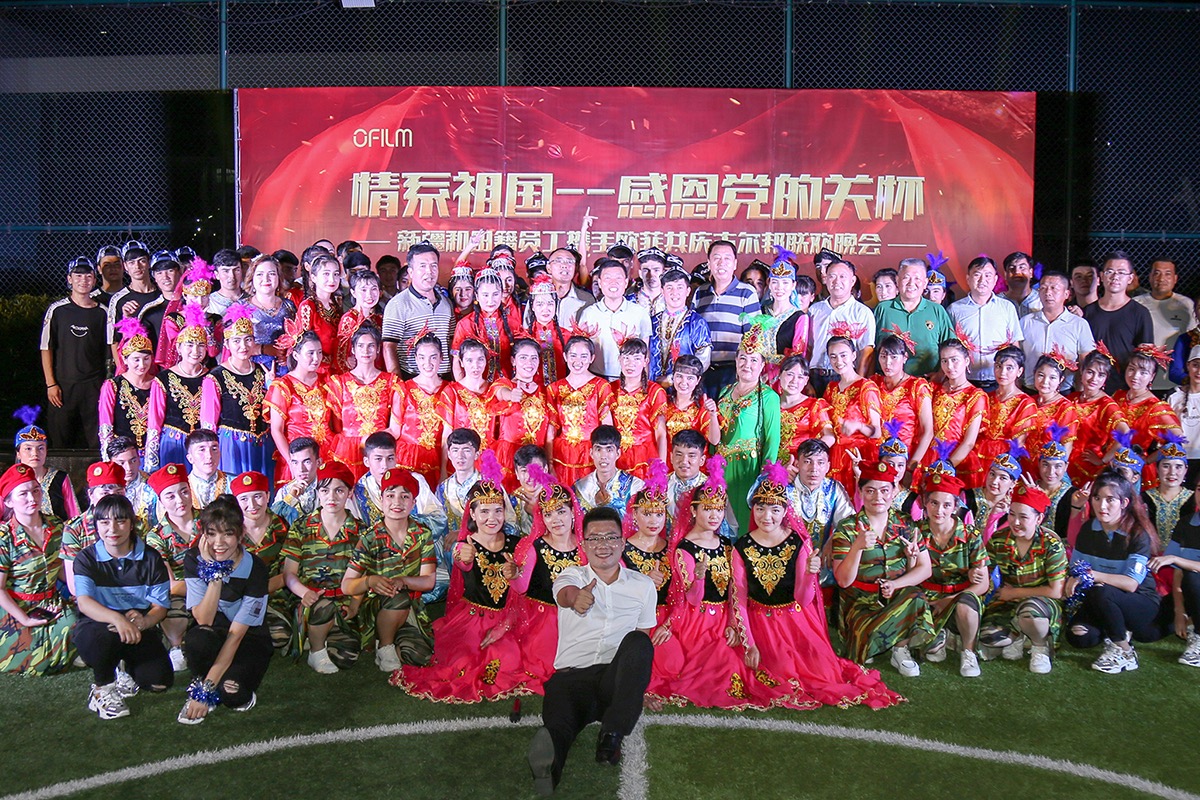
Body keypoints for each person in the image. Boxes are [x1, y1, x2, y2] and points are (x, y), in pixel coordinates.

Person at [727, 462, 902, 707]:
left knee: (820, 673)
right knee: (766, 673)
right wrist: (750, 644)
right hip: (759, 624)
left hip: (795, 622)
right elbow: (738, 595)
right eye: (760, 508)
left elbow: (803, 599)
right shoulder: (741, 546)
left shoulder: (798, 543)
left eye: (775, 509)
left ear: (785, 511)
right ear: (752, 509)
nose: (767, 516)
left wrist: (810, 574)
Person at [525, 504, 656, 793]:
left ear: (623, 541)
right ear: (583, 545)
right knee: (559, 728)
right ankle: (548, 770)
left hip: (613, 680)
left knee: (639, 642)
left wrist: (634, 687)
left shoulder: (643, 585)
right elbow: (565, 594)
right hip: (571, 679)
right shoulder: (571, 576)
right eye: (595, 538)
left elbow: (641, 641)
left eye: (611, 537)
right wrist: (576, 599)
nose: (603, 545)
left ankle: (611, 735)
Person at [395, 463, 530, 702]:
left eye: (498, 510)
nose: (492, 518)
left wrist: (507, 620)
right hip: (472, 620)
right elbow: (462, 561)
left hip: (511, 618)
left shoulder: (517, 544)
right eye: (484, 511)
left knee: (507, 659)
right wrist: (462, 556)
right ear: (472, 514)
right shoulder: (464, 546)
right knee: (463, 663)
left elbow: (524, 590)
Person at [72, 493, 173, 720]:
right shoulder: (86, 558)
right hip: (99, 624)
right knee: (101, 639)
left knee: (158, 682)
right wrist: (117, 619)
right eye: (104, 522)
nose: (112, 528)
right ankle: (103, 689)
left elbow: (160, 607)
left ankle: (123, 666)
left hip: (137, 625)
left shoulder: (151, 558)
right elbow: (85, 602)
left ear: (131, 523)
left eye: (120, 520)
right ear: (96, 525)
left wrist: (145, 621)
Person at [832, 461, 935, 676]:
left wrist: (896, 583)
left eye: (885, 490)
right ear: (861, 492)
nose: (878, 497)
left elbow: (925, 569)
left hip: (896, 598)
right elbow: (842, 580)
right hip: (860, 603)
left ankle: (899, 648)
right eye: (870, 490)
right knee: (861, 640)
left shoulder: (906, 523)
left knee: (916, 597)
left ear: (894, 491)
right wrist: (857, 548)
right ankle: (876, 639)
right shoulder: (848, 527)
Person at [176, 496, 272, 724]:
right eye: (211, 534)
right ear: (203, 535)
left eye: (227, 533)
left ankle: (216, 681)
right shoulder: (194, 559)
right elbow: (204, 619)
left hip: (248, 639)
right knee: (197, 639)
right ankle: (207, 677)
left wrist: (205, 691)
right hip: (213, 634)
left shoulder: (256, 568)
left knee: (233, 696)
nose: (218, 543)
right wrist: (215, 574)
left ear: (240, 534)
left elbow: (236, 636)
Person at [1065, 469, 1161, 673]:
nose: (1102, 506)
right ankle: (1115, 629)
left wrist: (1092, 575)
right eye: (1097, 498)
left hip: (1139, 601)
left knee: (1102, 591)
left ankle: (1124, 650)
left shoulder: (1137, 534)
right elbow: (1077, 568)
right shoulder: (1088, 529)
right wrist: (1075, 579)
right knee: (1079, 636)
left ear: (1124, 503)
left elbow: (1131, 584)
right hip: (1100, 597)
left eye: (1110, 500)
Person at [340, 467, 435, 672]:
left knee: (421, 656)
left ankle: (393, 641)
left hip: (410, 608)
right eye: (390, 496)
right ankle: (384, 646)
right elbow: (347, 585)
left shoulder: (422, 534)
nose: (397, 502)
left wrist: (404, 581)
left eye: (404, 496)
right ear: (381, 500)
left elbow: (429, 581)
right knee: (397, 596)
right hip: (376, 607)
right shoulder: (370, 537)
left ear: (413, 503)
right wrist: (370, 581)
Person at [506, 464, 585, 693]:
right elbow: (521, 588)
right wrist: (514, 575)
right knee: (553, 664)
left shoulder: (585, 546)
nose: (556, 520)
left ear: (573, 512)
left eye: (561, 512)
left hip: (580, 617)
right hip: (544, 622)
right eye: (548, 514)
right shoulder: (533, 547)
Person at [281, 461, 363, 673]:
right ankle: (316, 650)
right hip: (309, 600)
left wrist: (354, 605)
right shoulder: (302, 526)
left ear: (350, 493)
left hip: (343, 602)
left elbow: (363, 575)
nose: (331, 497)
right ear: (318, 492)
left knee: (347, 656)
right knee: (323, 606)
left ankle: (321, 633)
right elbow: (289, 572)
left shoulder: (361, 531)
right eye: (325, 491)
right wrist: (304, 592)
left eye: (339, 491)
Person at [912, 473, 990, 677]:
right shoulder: (915, 533)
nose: (939, 511)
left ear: (956, 506)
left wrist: (949, 600)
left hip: (960, 598)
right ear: (925, 503)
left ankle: (968, 651)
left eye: (947, 505)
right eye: (934, 503)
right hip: (927, 599)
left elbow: (983, 585)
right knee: (932, 653)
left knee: (966, 604)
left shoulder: (971, 535)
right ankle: (943, 635)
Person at [0, 463, 75, 675]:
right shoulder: (4, 536)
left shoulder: (56, 526)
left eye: (35, 490)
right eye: (23, 494)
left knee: (80, 626)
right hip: (15, 607)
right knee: (38, 664)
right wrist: (24, 619)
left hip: (50, 602)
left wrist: (79, 593)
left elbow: (61, 569)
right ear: (8, 501)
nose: (32, 498)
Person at [716, 327, 782, 536]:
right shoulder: (725, 391)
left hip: (748, 469)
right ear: (736, 361)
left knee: (746, 525)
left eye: (754, 360)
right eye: (743, 358)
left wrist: (766, 476)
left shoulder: (769, 397)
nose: (747, 364)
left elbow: (772, 438)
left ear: (762, 365)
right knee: (721, 524)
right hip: (722, 468)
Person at [41, 256, 108, 450]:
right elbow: (46, 348)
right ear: (69, 279)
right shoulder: (57, 310)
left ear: (94, 279)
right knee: (60, 441)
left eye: (88, 276)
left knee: (97, 443)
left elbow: (109, 351)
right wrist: (51, 384)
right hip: (63, 387)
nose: (83, 280)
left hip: (93, 386)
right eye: (78, 275)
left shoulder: (103, 312)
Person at [201, 303, 272, 478]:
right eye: (236, 341)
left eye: (248, 339)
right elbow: (208, 423)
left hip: (263, 444)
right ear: (226, 343)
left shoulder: (263, 371)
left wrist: (271, 385)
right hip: (232, 448)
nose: (243, 346)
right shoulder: (215, 377)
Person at [326, 325, 400, 478]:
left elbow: (395, 427)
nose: (366, 351)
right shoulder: (339, 383)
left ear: (378, 349)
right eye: (360, 346)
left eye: (371, 346)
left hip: (379, 450)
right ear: (353, 349)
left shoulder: (391, 382)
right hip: (347, 451)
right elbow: (337, 427)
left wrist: (372, 440)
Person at [144, 303, 211, 472]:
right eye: (189, 344)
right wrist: (152, 459)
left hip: (203, 447)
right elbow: (154, 421)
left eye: (201, 345)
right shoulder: (163, 379)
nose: (195, 350)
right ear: (179, 348)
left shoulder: (212, 377)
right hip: (173, 444)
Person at [143, 464, 197, 671]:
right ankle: (176, 647)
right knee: (170, 606)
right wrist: (207, 588)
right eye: (170, 496)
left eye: (184, 491)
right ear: (161, 500)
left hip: (218, 585)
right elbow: (170, 584)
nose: (180, 500)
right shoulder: (156, 536)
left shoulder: (211, 521)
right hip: (183, 593)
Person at [264, 330, 336, 482]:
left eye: (319, 352)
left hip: (326, 453)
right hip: (298, 456)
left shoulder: (327, 381)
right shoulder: (284, 386)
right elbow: (276, 430)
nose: (316, 358)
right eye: (310, 353)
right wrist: (292, 463)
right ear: (296, 355)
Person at [692, 240, 760, 397]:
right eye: (716, 258)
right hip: (703, 372)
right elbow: (693, 332)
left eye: (727, 258)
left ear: (735, 264)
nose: (721, 263)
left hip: (732, 372)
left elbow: (753, 337)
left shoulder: (747, 293)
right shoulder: (700, 293)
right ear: (709, 263)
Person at [547, 337, 615, 487]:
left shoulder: (601, 386)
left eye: (584, 356)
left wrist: (607, 458)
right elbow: (551, 429)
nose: (578, 361)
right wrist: (549, 462)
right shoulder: (554, 388)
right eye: (573, 355)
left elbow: (607, 428)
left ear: (592, 358)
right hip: (562, 454)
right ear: (565, 356)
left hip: (591, 453)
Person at [1083, 252, 1154, 393]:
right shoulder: (1088, 312)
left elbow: (1146, 358)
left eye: (1121, 272)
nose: (1115, 277)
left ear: (1130, 278)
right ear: (1101, 276)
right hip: (1093, 387)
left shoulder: (1140, 313)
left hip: (1125, 389)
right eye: (1110, 271)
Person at [948, 256, 1023, 389]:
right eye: (977, 275)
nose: (982, 280)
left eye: (988, 275)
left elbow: (1014, 344)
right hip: (965, 382)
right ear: (968, 279)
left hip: (999, 381)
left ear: (995, 280)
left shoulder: (1007, 307)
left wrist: (1016, 380)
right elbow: (949, 347)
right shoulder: (955, 309)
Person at [873, 259, 955, 377]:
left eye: (917, 278)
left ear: (925, 283)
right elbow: (870, 348)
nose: (911, 283)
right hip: (889, 382)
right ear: (897, 280)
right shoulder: (883, 309)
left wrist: (940, 375)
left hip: (928, 382)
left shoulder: (937, 310)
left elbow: (952, 349)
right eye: (906, 278)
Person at [383, 241, 453, 379]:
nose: (429, 271)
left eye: (433, 266)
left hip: (444, 380)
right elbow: (388, 347)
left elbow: (451, 343)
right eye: (423, 266)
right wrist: (398, 384)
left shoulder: (446, 303)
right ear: (410, 272)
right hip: (412, 379)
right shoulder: (398, 304)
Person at [823, 331, 881, 494]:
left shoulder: (866, 387)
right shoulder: (831, 389)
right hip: (834, 455)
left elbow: (877, 432)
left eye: (843, 355)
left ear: (854, 356)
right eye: (833, 356)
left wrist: (858, 426)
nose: (838, 361)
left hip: (858, 457)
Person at [1020, 270, 1095, 393]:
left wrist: (1081, 393)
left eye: (1054, 288)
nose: (1048, 293)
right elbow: (1018, 358)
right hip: (1030, 391)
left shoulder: (1079, 324)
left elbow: (1085, 362)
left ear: (1066, 294)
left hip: (1064, 393)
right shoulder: (1025, 322)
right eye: (1043, 288)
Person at [492, 338, 553, 489]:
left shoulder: (546, 391)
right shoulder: (505, 384)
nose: (529, 363)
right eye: (523, 357)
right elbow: (500, 393)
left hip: (536, 459)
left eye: (534, 358)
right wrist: (510, 395)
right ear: (513, 360)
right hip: (509, 458)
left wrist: (549, 463)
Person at [393, 333, 452, 487]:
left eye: (433, 357)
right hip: (408, 458)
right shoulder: (403, 389)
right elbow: (394, 430)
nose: (428, 363)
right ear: (416, 359)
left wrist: (444, 469)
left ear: (441, 358)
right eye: (422, 357)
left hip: (439, 458)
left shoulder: (450, 389)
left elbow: (448, 434)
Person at [808, 259, 875, 394]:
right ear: (826, 279)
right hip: (815, 377)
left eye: (842, 276)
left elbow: (866, 351)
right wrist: (807, 381)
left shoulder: (862, 312)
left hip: (844, 377)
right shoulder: (814, 310)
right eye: (832, 276)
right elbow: (807, 347)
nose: (836, 281)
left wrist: (857, 382)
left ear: (853, 281)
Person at [578, 259, 652, 381]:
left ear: (626, 282)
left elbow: (645, 352)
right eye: (607, 278)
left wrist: (644, 384)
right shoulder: (589, 313)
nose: (613, 283)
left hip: (628, 379)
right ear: (600, 283)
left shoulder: (640, 313)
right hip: (595, 378)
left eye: (618, 278)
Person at [61, 461, 127, 595]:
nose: (112, 499)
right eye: (105, 493)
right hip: (90, 598)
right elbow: (75, 586)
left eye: (118, 492)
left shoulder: (136, 524)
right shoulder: (75, 529)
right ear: (91, 495)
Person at [1069, 345, 1131, 485]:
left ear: (1106, 379)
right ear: (1082, 370)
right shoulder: (1072, 398)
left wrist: (1103, 460)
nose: (1094, 379)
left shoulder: (1106, 404)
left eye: (1101, 375)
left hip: (1088, 468)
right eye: (1090, 372)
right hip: (1065, 464)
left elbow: (1126, 432)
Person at [875, 329, 934, 476]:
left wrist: (910, 468)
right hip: (876, 458)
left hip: (906, 458)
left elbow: (928, 432)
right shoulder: (873, 383)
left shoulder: (917, 387)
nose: (888, 362)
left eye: (894, 357)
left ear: (905, 357)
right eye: (883, 356)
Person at [1133, 258, 1196, 393]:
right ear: (1150, 277)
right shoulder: (1136, 304)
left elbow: (1193, 341)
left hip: (1177, 382)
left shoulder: (1186, 305)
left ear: (1175, 278)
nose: (1161, 278)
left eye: (1167, 274)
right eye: (1157, 273)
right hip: (1141, 382)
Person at [451, 268, 522, 383]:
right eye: (485, 295)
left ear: (501, 294)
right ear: (477, 296)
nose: (490, 300)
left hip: (506, 385)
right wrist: (463, 389)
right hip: (476, 386)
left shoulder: (513, 323)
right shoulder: (465, 324)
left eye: (495, 294)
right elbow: (457, 361)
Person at [610, 338, 667, 479]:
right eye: (626, 358)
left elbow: (660, 434)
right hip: (616, 456)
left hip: (645, 458)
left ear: (645, 361)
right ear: (619, 359)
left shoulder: (655, 391)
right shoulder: (610, 389)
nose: (631, 364)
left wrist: (661, 469)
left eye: (637, 358)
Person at [99, 319, 155, 462]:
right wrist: (108, 458)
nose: (142, 365)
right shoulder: (112, 385)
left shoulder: (157, 383)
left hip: (152, 453)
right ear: (124, 359)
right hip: (122, 456)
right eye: (136, 359)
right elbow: (106, 424)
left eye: (146, 359)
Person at [1021, 352, 1081, 476]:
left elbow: (1067, 444)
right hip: (1024, 464)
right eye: (1041, 375)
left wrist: (1056, 472)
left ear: (1061, 380)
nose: (1045, 382)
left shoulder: (1065, 408)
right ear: (1034, 374)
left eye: (1052, 377)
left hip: (1048, 469)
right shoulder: (1029, 401)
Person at [649, 266, 712, 384]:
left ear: (688, 291)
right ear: (662, 291)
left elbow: (703, 359)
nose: (675, 292)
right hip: (652, 387)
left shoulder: (696, 322)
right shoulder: (652, 321)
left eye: (679, 287)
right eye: (669, 287)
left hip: (683, 387)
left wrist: (672, 379)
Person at [12, 413, 79, 521]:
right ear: (18, 453)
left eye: (40, 448)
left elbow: (74, 516)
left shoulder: (60, 478)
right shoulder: (11, 481)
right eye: (28, 449)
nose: (35, 453)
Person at [106, 241, 161, 366]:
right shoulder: (119, 300)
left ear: (149, 263)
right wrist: (122, 370)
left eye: (142, 261)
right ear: (125, 266)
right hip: (136, 368)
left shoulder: (162, 294)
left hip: (162, 364)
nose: (137, 266)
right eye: (131, 262)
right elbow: (114, 341)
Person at [573, 426, 646, 517]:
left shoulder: (635, 487)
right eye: (598, 449)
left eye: (609, 450)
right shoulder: (580, 488)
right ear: (591, 453)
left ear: (618, 453)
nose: (603, 456)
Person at [776, 355, 834, 467]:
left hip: (801, 467)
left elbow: (829, 437)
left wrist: (808, 458)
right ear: (780, 375)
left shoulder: (815, 405)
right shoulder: (770, 404)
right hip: (772, 466)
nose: (794, 381)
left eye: (800, 377)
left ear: (806, 380)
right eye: (790, 374)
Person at [245, 254, 297, 378]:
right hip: (254, 371)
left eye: (272, 274)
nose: (266, 279)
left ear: (279, 277)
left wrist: (289, 354)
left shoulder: (289, 306)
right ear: (252, 278)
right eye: (260, 274)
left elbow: (297, 338)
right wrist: (263, 349)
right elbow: (234, 346)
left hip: (286, 372)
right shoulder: (241, 308)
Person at [661, 355, 720, 463]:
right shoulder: (663, 403)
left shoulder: (703, 406)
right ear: (673, 377)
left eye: (690, 378)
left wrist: (712, 415)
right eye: (679, 376)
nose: (683, 382)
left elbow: (714, 441)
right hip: (668, 464)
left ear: (698, 380)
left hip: (693, 466)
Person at [444, 338, 499, 454]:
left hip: (489, 457)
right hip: (461, 457)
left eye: (480, 359)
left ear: (486, 361)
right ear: (461, 363)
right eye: (469, 360)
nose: (476, 365)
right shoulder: (452, 391)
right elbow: (447, 434)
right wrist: (443, 464)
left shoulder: (495, 389)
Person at [294, 253, 342, 377]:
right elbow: (303, 345)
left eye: (336, 274)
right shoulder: (308, 306)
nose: (332, 279)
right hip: (316, 371)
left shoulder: (337, 306)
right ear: (313, 277)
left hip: (338, 370)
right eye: (326, 274)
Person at [523, 275, 569, 386]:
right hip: (534, 391)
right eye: (540, 304)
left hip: (561, 390)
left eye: (550, 303)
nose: (545, 309)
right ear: (532, 307)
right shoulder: (524, 336)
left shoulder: (566, 335)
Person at [335, 270, 384, 374]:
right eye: (363, 290)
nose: (369, 295)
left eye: (374, 289)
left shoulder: (378, 319)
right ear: (353, 293)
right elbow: (340, 356)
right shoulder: (349, 319)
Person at [1167, 345, 1200, 483]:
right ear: (1188, 366)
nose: (1199, 371)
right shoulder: (1174, 396)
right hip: (1178, 460)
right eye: (1195, 365)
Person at [270, 437, 320, 526]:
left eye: (307, 462)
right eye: (295, 463)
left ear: (318, 462)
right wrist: (291, 498)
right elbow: (274, 525)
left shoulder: (328, 487)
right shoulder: (284, 492)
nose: (301, 469)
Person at [546, 246, 594, 327]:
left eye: (570, 261)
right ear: (548, 268)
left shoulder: (586, 299)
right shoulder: (538, 296)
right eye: (558, 261)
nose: (564, 265)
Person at [207, 249, 249, 317]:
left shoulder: (253, 300)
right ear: (217, 275)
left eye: (236, 270)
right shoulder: (209, 303)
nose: (232, 276)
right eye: (226, 271)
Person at [1001, 251, 1042, 316]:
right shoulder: (997, 302)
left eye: (1022, 267)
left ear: (1031, 272)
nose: (1017, 272)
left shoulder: (1042, 300)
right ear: (1005, 274)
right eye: (1012, 268)